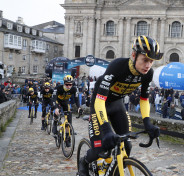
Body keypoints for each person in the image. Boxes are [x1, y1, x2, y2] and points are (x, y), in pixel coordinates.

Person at [78, 35, 163, 176]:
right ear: (134, 55)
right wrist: (106, 129)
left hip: (117, 106)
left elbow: (144, 99)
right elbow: (99, 100)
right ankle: (84, 161)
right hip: (100, 104)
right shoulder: (117, 66)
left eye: (151, 61)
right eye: (145, 60)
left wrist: (147, 122)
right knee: (100, 149)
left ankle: (114, 170)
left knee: (127, 145)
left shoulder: (148, 74)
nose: (148, 65)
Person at [52, 75, 81, 146]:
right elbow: (54, 99)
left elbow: (77, 99)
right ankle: (55, 124)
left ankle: (68, 138)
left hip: (65, 102)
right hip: (58, 102)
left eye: (70, 84)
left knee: (69, 120)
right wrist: (56, 108)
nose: (68, 86)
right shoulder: (58, 88)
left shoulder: (74, 89)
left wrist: (79, 107)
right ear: (64, 83)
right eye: (67, 84)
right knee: (57, 111)